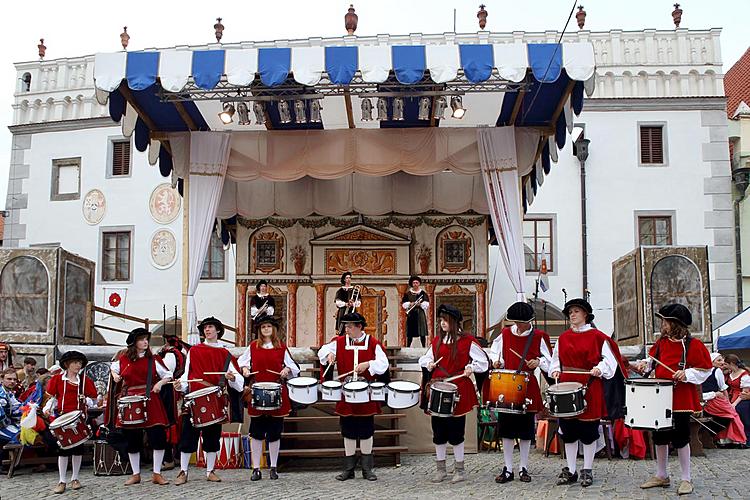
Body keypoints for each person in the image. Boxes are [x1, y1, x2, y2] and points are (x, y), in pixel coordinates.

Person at [635, 304, 712, 496]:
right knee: (659, 436)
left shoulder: (694, 345)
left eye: (665, 321)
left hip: (681, 399)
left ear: (675, 324)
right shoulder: (660, 344)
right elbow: (650, 365)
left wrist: (687, 374)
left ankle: (686, 478)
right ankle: (662, 475)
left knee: (681, 438)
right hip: (659, 397)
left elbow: (705, 371)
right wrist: (644, 365)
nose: (662, 324)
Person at [549, 298, 624, 488]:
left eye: (576, 311)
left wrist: (599, 368)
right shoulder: (564, 338)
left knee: (588, 431)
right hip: (567, 385)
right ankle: (571, 469)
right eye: (570, 312)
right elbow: (555, 360)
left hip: (590, 386)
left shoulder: (598, 337)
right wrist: (556, 370)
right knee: (569, 430)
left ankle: (587, 469)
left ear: (585, 315)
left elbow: (610, 361)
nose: (572, 315)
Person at [419, 304, 488, 484]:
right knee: (439, 432)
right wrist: (429, 364)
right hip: (438, 388)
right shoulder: (437, 341)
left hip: (458, 389)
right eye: (440, 320)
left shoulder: (468, 342)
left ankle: (460, 469)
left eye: (445, 320)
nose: (442, 323)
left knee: (457, 432)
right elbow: (425, 357)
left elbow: (484, 362)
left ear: (455, 322)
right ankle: (440, 469)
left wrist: (471, 367)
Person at [318, 312, 389, 481]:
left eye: (350, 326)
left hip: (366, 395)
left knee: (366, 431)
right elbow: (322, 351)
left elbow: (383, 364)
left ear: (359, 327)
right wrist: (328, 355)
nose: (346, 329)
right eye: (345, 326)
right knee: (348, 430)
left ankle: (367, 469)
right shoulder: (339, 342)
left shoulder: (372, 343)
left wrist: (369, 364)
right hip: (347, 395)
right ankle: (348, 469)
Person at [175, 317, 244, 485]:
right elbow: (187, 374)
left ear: (218, 330)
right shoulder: (194, 351)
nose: (207, 330)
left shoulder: (225, 354)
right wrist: (180, 385)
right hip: (194, 398)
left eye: (211, 327)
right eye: (205, 327)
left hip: (214, 399)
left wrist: (232, 377)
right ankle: (183, 471)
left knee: (212, 436)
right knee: (187, 436)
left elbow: (239, 380)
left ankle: (210, 471)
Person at [489, 301, 551, 484]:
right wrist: (496, 361)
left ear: (530, 320)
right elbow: (494, 351)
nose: (518, 325)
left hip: (528, 384)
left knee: (525, 430)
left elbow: (551, 361)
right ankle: (508, 469)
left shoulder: (540, 336)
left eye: (522, 322)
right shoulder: (505, 334)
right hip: (507, 383)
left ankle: (524, 467)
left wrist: (539, 362)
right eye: (516, 322)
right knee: (506, 430)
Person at [238, 316, 299, 481]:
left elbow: (294, 367)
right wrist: (244, 369)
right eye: (263, 327)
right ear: (259, 330)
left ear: (274, 329)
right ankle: (256, 468)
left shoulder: (281, 347)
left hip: (276, 392)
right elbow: (241, 362)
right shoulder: (253, 347)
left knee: (274, 432)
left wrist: (286, 369)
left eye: (268, 326)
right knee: (257, 432)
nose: (266, 329)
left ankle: (273, 467)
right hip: (257, 392)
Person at [110, 328, 173, 486]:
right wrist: (115, 376)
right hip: (130, 400)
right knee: (133, 439)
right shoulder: (124, 359)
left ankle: (157, 473)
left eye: (146, 339)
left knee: (157, 437)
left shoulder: (153, 359)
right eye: (141, 339)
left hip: (150, 399)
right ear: (134, 343)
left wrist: (159, 383)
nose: (145, 342)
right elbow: (113, 368)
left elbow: (168, 374)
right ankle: (135, 474)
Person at [43, 351, 98, 494]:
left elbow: (93, 399)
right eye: (75, 362)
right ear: (67, 364)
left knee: (78, 449)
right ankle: (62, 480)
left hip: (79, 419)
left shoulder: (85, 380)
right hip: (62, 418)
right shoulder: (57, 379)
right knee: (63, 449)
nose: (78, 365)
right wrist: (47, 408)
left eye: (79, 363)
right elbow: (53, 398)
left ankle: (75, 478)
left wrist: (87, 400)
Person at [157, 331, 188, 470]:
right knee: (175, 423)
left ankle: (169, 458)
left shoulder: (170, 355)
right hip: (176, 391)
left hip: (170, 391)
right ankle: (175, 456)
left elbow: (166, 372)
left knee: (168, 422)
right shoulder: (182, 354)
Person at [701, 353, 747, 446]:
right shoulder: (717, 371)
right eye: (719, 360)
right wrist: (727, 403)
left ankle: (724, 439)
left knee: (732, 414)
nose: (722, 362)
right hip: (714, 401)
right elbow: (723, 388)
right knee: (733, 415)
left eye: (722, 360)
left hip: (706, 400)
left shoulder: (703, 372)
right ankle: (736, 439)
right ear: (712, 362)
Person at [724, 353, 750, 447]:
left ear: (731, 364)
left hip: (742, 398)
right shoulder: (730, 373)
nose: (724, 366)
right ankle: (734, 439)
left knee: (742, 415)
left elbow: (744, 393)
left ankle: (746, 439)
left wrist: (734, 404)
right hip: (731, 396)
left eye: (726, 364)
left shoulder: (744, 375)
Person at [401, 276, 430, 348]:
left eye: (417, 283)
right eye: (414, 283)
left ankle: (424, 347)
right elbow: (404, 304)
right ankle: (408, 347)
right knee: (410, 332)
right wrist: (410, 304)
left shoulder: (423, 293)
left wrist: (420, 304)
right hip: (411, 314)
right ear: (412, 284)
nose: (415, 284)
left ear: (419, 283)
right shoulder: (407, 294)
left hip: (420, 314)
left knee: (422, 331)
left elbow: (427, 304)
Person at [0, 368, 22, 448]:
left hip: (7, 424)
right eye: (9, 379)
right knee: (20, 436)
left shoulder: (9, 393)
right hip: (2, 427)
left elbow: (17, 409)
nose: (12, 381)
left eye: (14, 379)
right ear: (2, 379)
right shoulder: (1, 393)